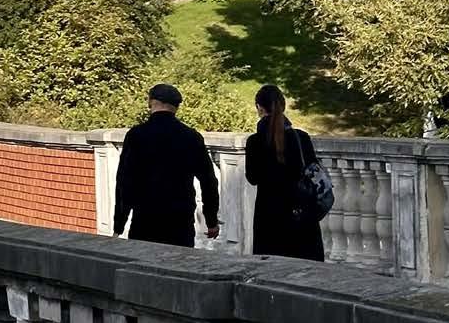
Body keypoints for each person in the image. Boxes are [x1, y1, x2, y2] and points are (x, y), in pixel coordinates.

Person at [113, 82, 220, 246]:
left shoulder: (136, 135)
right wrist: (211, 220)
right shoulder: (191, 136)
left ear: (151, 102)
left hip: (145, 218)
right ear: (176, 107)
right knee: (178, 261)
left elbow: (124, 182)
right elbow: (208, 181)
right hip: (180, 219)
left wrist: (119, 224)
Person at [246, 84, 326, 260]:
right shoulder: (301, 138)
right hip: (301, 212)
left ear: (259, 108)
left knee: (272, 266)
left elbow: (252, 178)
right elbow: (313, 172)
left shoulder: (254, 142)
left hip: (269, 215)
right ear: (283, 106)